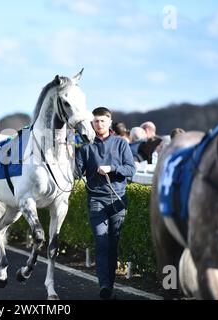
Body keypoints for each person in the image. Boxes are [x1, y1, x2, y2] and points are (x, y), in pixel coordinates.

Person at [75, 107, 136, 299]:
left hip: (118, 200)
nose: (98, 124)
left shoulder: (121, 144)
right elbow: (76, 173)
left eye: (102, 121)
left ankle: (109, 283)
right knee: (101, 242)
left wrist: (112, 168)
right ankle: (104, 286)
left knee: (113, 242)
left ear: (109, 122)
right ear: (92, 124)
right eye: (96, 121)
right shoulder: (86, 147)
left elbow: (130, 169)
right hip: (96, 200)